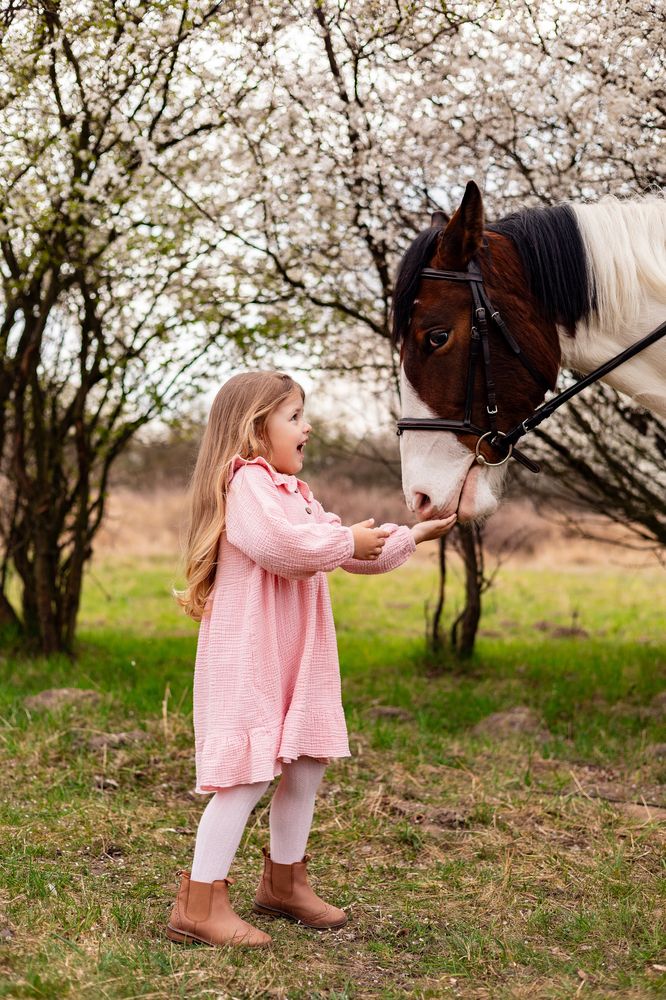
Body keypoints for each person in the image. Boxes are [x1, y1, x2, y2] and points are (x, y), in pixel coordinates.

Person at [167, 371, 456, 948]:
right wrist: (346, 541)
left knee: (305, 765)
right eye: (295, 417)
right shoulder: (247, 483)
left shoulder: (294, 493)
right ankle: (199, 902)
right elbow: (288, 549)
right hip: (251, 655)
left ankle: (283, 881)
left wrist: (411, 537)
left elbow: (349, 553)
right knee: (245, 778)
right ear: (256, 429)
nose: (309, 428)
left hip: (296, 655)